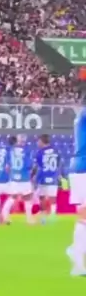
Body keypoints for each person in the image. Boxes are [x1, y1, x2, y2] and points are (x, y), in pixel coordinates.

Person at [66, 103, 86, 276]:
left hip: (79, 168)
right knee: (84, 215)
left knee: (84, 215)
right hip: (83, 168)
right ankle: (76, 253)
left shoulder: (81, 117)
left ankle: (77, 258)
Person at [1, 135, 35, 225]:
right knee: (27, 198)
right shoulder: (27, 150)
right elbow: (30, 165)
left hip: (14, 178)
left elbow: (7, 167)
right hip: (24, 177)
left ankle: (5, 216)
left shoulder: (11, 150)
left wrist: (13, 174)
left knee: (12, 197)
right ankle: (29, 220)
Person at [34, 134, 60, 224]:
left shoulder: (40, 152)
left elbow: (38, 166)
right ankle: (53, 217)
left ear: (42, 141)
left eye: (38, 141)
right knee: (53, 199)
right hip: (53, 177)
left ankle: (43, 219)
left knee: (42, 198)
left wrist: (34, 176)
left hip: (43, 177)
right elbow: (58, 164)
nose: (37, 143)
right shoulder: (56, 151)